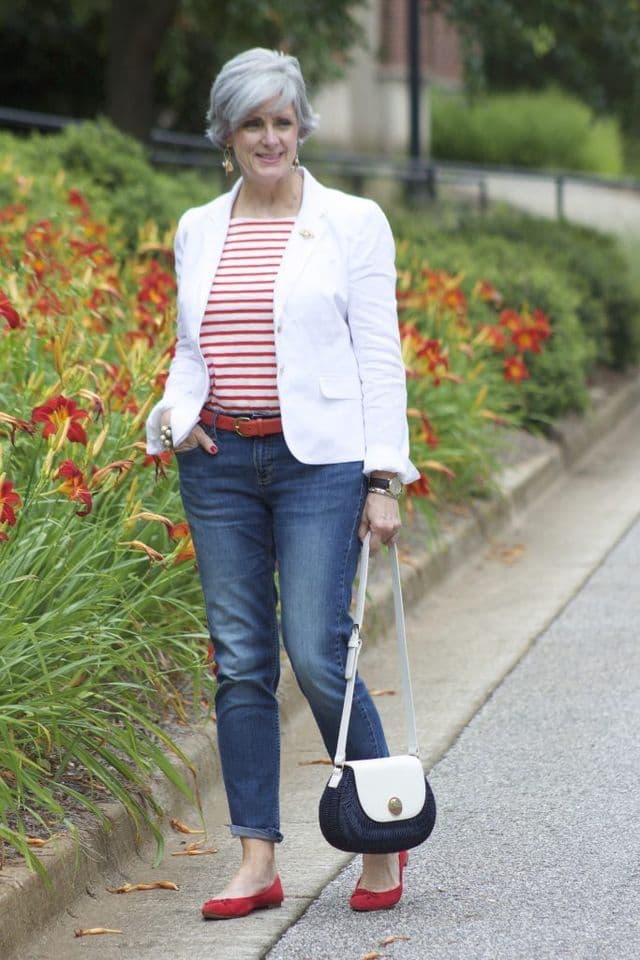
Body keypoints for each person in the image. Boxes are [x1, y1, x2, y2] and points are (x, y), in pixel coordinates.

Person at [146, 47, 419, 918]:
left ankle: (381, 831)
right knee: (240, 665)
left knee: (315, 649)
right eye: (251, 123)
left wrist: (385, 477)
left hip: (321, 466)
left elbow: (380, 356)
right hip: (219, 464)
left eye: (282, 120)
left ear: (302, 127)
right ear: (225, 136)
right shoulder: (199, 226)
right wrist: (173, 416)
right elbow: (196, 347)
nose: (269, 137)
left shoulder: (352, 222)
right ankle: (257, 860)